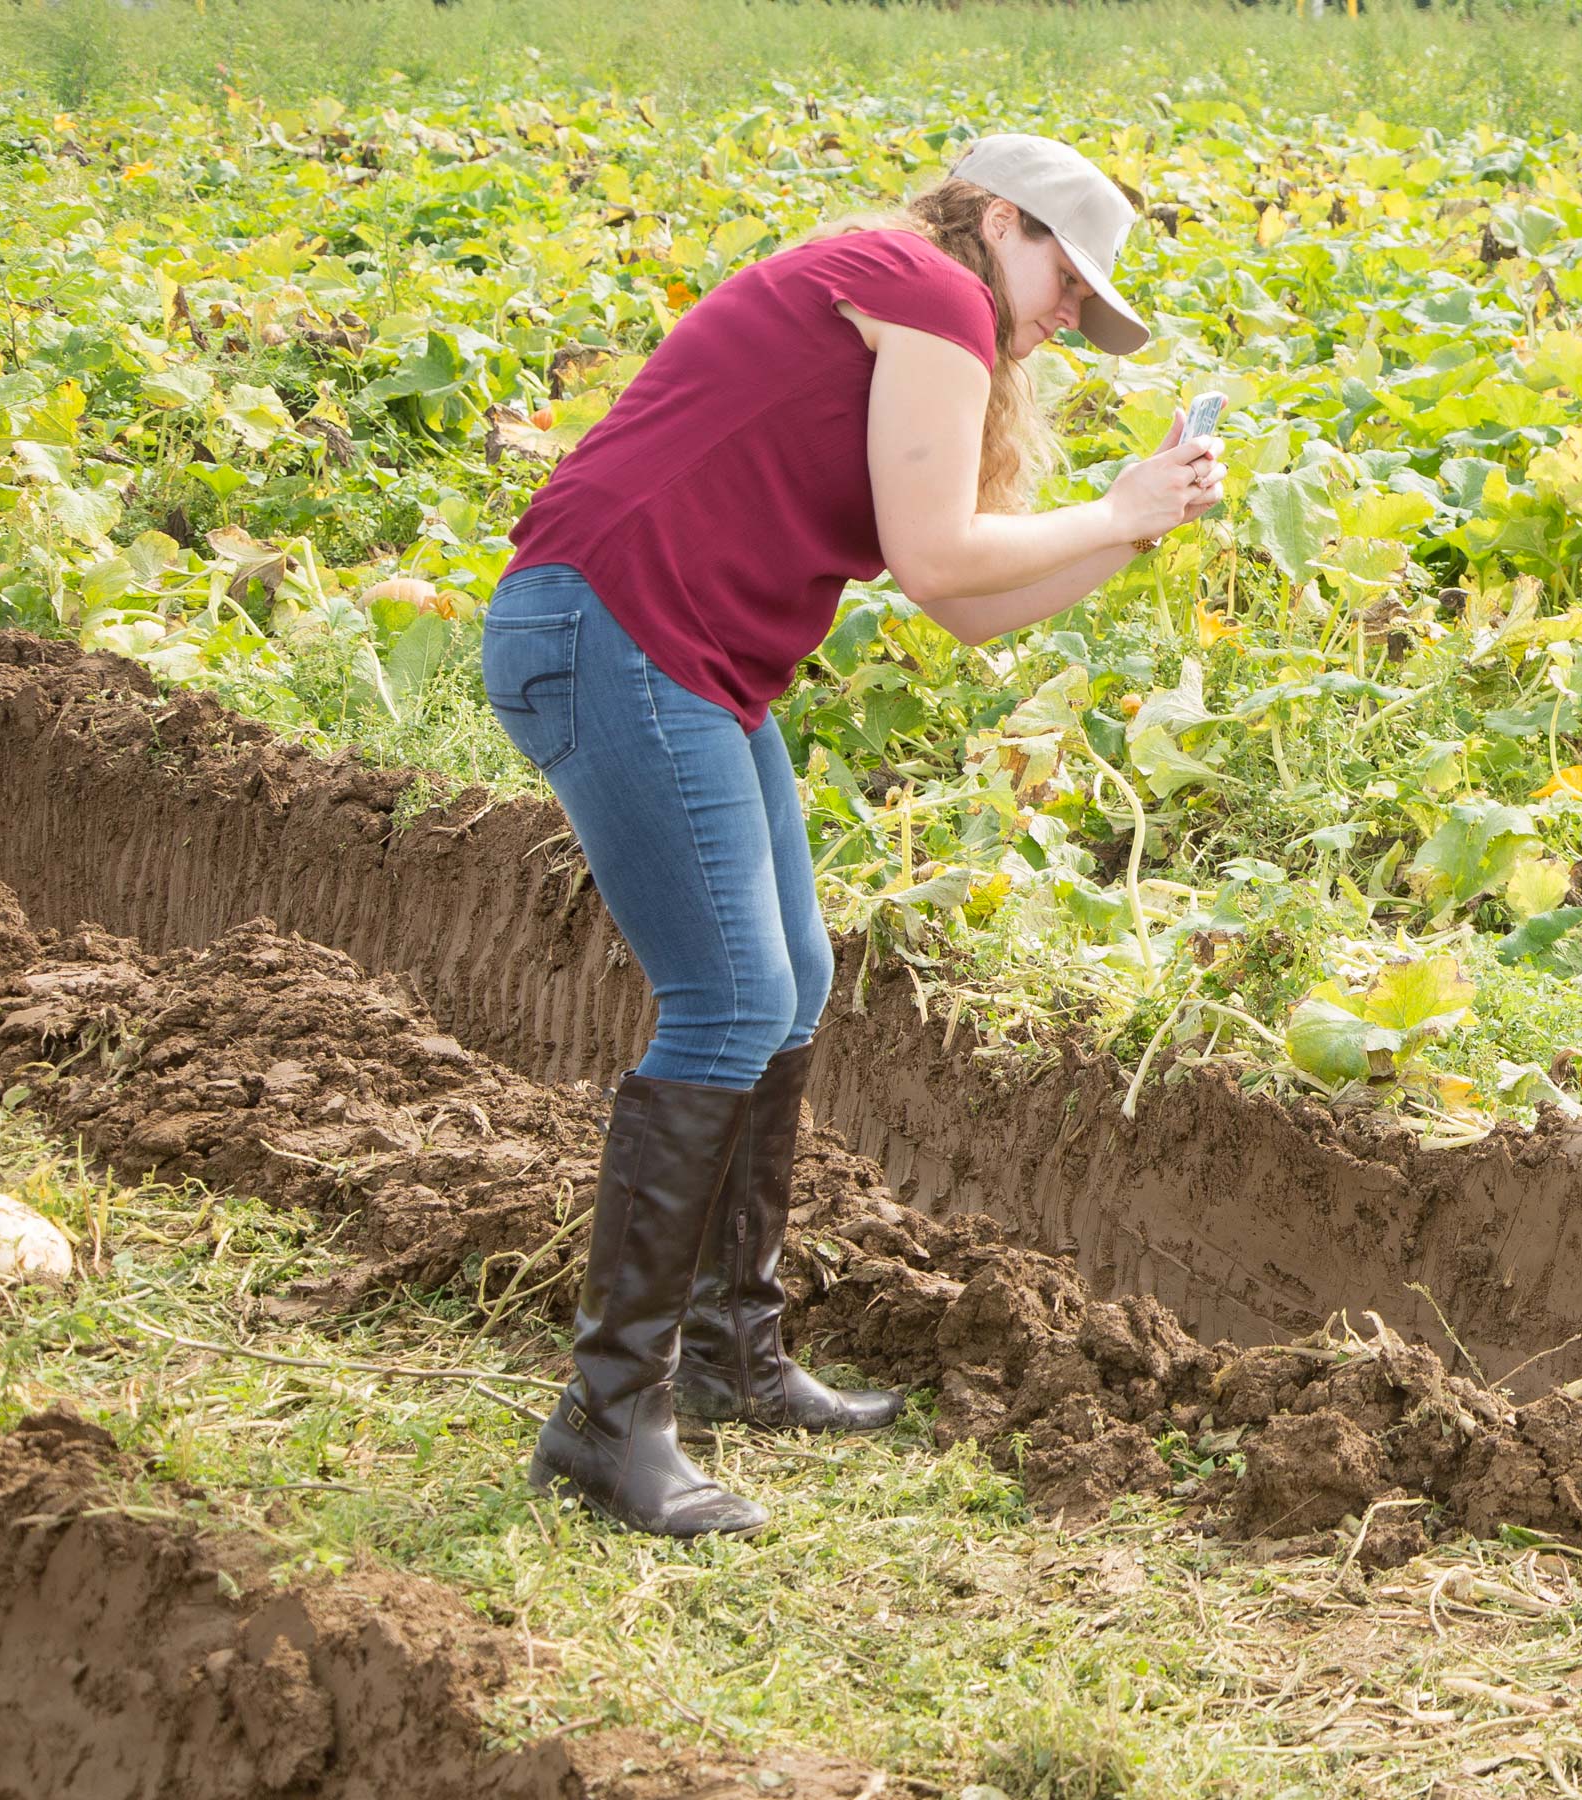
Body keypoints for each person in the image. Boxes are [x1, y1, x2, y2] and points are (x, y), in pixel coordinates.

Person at [483, 132, 1225, 1539]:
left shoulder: (917, 310)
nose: (1071, 313)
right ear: (1000, 223)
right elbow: (945, 560)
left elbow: (964, 608)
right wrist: (1108, 505)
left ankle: (730, 1351)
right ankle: (605, 1420)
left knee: (795, 983)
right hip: (613, 630)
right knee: (733, 998)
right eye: (1067, 276)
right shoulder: (924, 287)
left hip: (666, 653)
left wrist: (1129, 532)